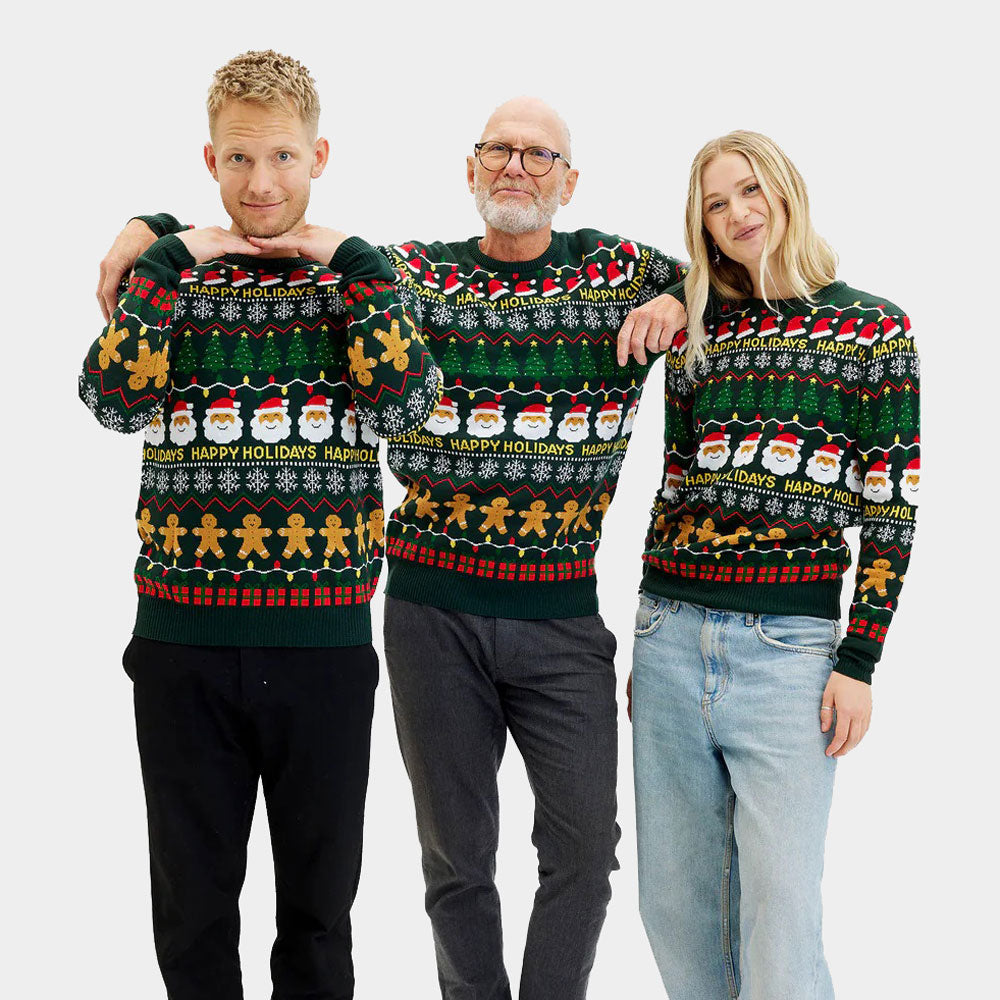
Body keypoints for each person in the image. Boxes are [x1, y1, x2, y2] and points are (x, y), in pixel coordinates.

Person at [100, 95, 687, 1000]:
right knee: (454, 858)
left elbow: (730, 277)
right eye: (498, 151)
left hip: (562, 612)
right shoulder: (408, 274)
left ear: (570, 180)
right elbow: (271, 227)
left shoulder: (617, 272)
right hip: (426, 605)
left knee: (583, 848)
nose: (517, 169)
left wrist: (681, 294)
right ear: (469, 168)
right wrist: (155, 230)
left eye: (540, 157)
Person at [79, 50, 438, 1000]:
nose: (262, 182)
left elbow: (407, 409)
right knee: (191, 913)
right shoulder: (171, 280)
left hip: (321, 646)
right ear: (209, 160)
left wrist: (355, 264)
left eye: (282, 157)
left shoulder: (365, 282)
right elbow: (111, 402)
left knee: (318, 919)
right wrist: (161, 250)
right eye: (239, 160)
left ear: (319, 155)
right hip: (180, 643)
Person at [626, 130, 920, 999]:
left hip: (789, 650)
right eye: (715, 205)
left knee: (782, 919)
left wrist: (858, 661)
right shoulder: (700, 333)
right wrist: (649, 632)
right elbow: (673, 483)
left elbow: (891, 510)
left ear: (785, 191)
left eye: (749, 191)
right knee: (675, 909)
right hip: (670, 636)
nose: (737, 215)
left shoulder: (873, 329)